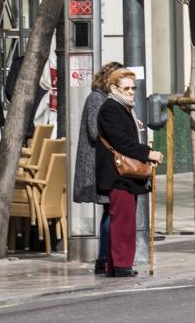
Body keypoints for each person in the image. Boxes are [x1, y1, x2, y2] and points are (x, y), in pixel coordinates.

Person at [95, 68, 162, 277]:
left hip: (122, 176)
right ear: (114, 88)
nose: (132, 91)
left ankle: (116, 265)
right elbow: (121, 141)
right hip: (118, 175)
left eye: (133, 87)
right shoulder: (110, 108)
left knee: (123, 219)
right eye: (127, 88)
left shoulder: (123, 108)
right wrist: (149, 153)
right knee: (123, 222)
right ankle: (122, 264)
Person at [73, 61, 123, 274]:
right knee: (109, 209)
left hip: (104, 161)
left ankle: (106, 257)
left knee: (110, 208)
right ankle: (103, 258)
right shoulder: (96, 98)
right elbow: (95, 131)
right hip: (96, 163)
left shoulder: (107, 100)